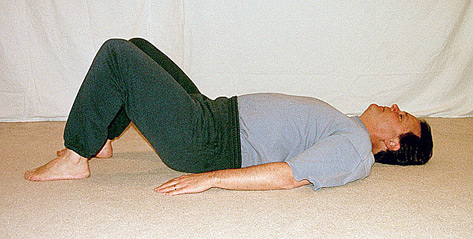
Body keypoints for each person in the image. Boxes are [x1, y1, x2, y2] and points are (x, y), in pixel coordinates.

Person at [24, 38, 433, 196]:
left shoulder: (354, 150)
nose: (395, 108)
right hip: (214, 114)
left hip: (209, 141)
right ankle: (100, 138)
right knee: (138, 47)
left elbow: (289, 175)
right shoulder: (350, 129)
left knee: (118, 55)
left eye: (402, 117)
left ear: (393, 144)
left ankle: (77, 155)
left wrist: (213, 177)